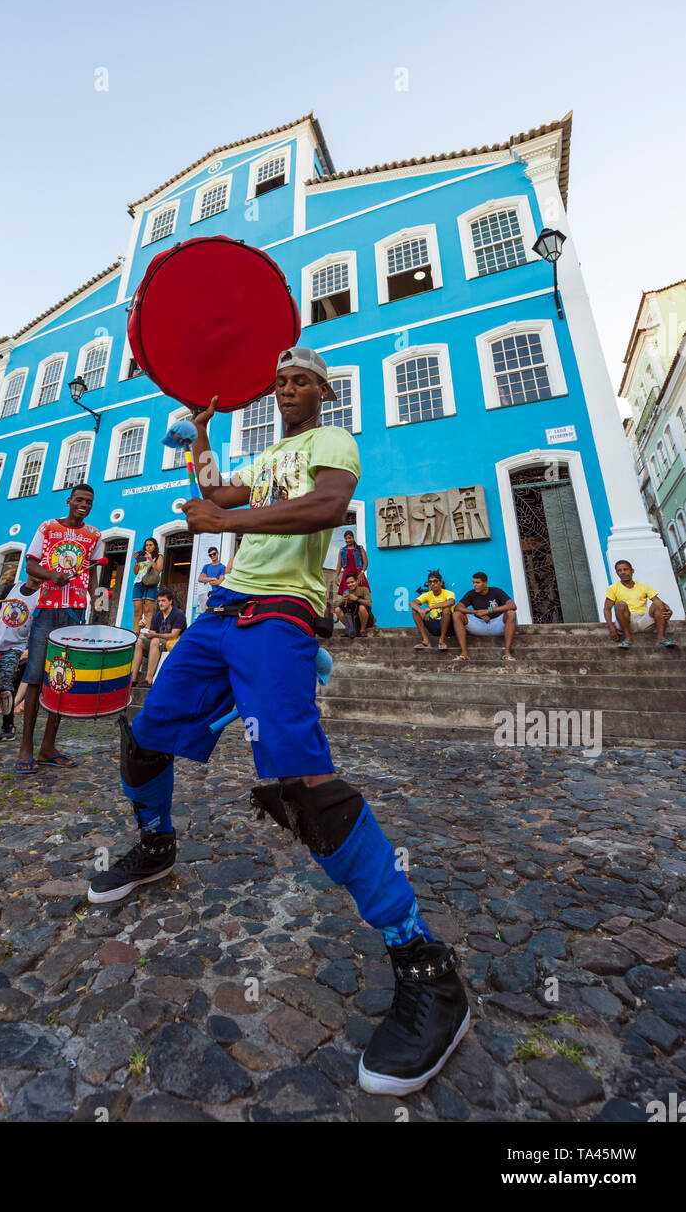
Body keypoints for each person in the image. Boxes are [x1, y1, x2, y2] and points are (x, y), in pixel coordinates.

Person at [87, 344, 469, 1097]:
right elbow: (213, 490)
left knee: (301, 783)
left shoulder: (332, 443)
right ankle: (156, 846)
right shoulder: (264, 460)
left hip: (280, 616)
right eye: (279, 381)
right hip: (219, 614)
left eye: (299, 381)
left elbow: (325, 508)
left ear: (322, 390)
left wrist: (225, 518)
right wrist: (202, 438)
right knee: (145, 736)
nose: (286, 389)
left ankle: (425, 966)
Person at [17, 484, 103, 773]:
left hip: (75, 613)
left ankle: (48, 747)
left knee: (61, 679)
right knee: (34, 676)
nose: (83, 504)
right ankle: (26, 747)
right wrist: (51, 575)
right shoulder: (48, 527)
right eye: (79, 499)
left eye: (88, 501)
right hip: (46, 610)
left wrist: (96, 598)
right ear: (69, 501)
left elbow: (92, 571)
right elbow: (30, 566)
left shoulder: (94, 535)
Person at [0, 572, 41, 740]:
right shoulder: (11, 588)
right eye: (37, 567)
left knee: (5, 685)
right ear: (30, 568)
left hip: (14, 647)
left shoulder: (42, 597)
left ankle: (8, 726)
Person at [604, 560, 674, 649]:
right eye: (619, 570)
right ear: (617, 573)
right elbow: (607, 609)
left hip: (643, 621)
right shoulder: (612, 588)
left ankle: (661, 638)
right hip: (625, 622)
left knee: (658, 604)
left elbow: (658, 602)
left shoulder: (644, 586)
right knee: (620, 604)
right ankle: (628, 638)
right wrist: (611, 626)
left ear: (632, 571)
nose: (623, 572)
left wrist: (669, 610)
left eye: (625, 569)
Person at [453, 573, 518, 662]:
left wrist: (489, 610)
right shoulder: (471, 594)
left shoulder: (496, 591)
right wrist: (477, 612)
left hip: (497, 625)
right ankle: (464, 654)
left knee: (511, 613)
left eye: (478, 582)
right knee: (456, 614)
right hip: (479, 625)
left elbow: (512, 605)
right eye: (473, 582)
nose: (474, 585)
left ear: (485, 583)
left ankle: (507, 653)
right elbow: (458, 607)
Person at [130, 586, 187, 687]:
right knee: (139, 642)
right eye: (159, 601)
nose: (160, 603)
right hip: (158, 643)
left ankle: (148, 680)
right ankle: (133, 680)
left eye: (163, 601)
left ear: (170, 601)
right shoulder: (157, 615)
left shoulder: (178, 614)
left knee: (155, 641)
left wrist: (155, 635)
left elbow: (173, 635)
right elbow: (152, 633)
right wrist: (143, 628)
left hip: (173, 644)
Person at [411, 571, 455, 651]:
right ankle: (426, 641)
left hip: (449, 627)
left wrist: (430, 608)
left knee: (446, 609)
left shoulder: (448, 593)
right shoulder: (428, 594)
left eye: (435, 581)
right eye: (430, 582)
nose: (432, 584)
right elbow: (412, 603)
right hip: (434, 625)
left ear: (441, 583)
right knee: (415, 611)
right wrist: (420, 611)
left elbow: (451, 602)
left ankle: (442, 641)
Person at [131, 537, 163, 634]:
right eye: (146, 545)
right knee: (137, 611)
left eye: (150, 545)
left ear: (155, 546)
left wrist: (151, 560)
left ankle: (147, 634)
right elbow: (136, 572)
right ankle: (135, 635)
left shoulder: (159, 556)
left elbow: (158, 570)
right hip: (138, 583)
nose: (148, 547)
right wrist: (136, 561)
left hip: (151, 584)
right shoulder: (142, 557)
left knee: (148, 611)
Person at [337, 529, 368, 595]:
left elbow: (365, 563)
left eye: (349, 538)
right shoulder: (342, 550)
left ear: (353, 538)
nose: (348, 540)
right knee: (347, 595)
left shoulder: (360, 549)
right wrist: (337, 576)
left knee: (362, 594)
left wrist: (362, 572)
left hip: (359, 575)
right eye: (346, 538)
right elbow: (339, 565)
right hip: (347, 575)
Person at [196, 545, 225, 614]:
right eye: (210, 555)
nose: (212, 556)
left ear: (217, 553)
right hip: (205, 596)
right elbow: (200, 579)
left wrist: (206, 580)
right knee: (203, 614)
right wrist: (212, 579)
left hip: (217, 595)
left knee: (215, 614)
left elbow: (219, 582)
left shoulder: (223, 567)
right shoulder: (206, 567)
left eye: (214, 554)